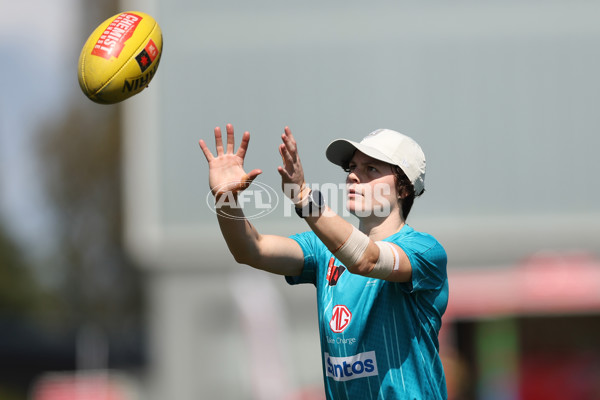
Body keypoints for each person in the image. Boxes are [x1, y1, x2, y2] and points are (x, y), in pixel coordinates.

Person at [199, 124, 449, 399]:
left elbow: (366, 259)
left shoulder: (425, 250)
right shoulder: (323, 248)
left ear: (403, 189)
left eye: (371, 170)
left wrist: (304, 197)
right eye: (352, 168)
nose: (353, 176)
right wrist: (226, 198)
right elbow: (250, 250)